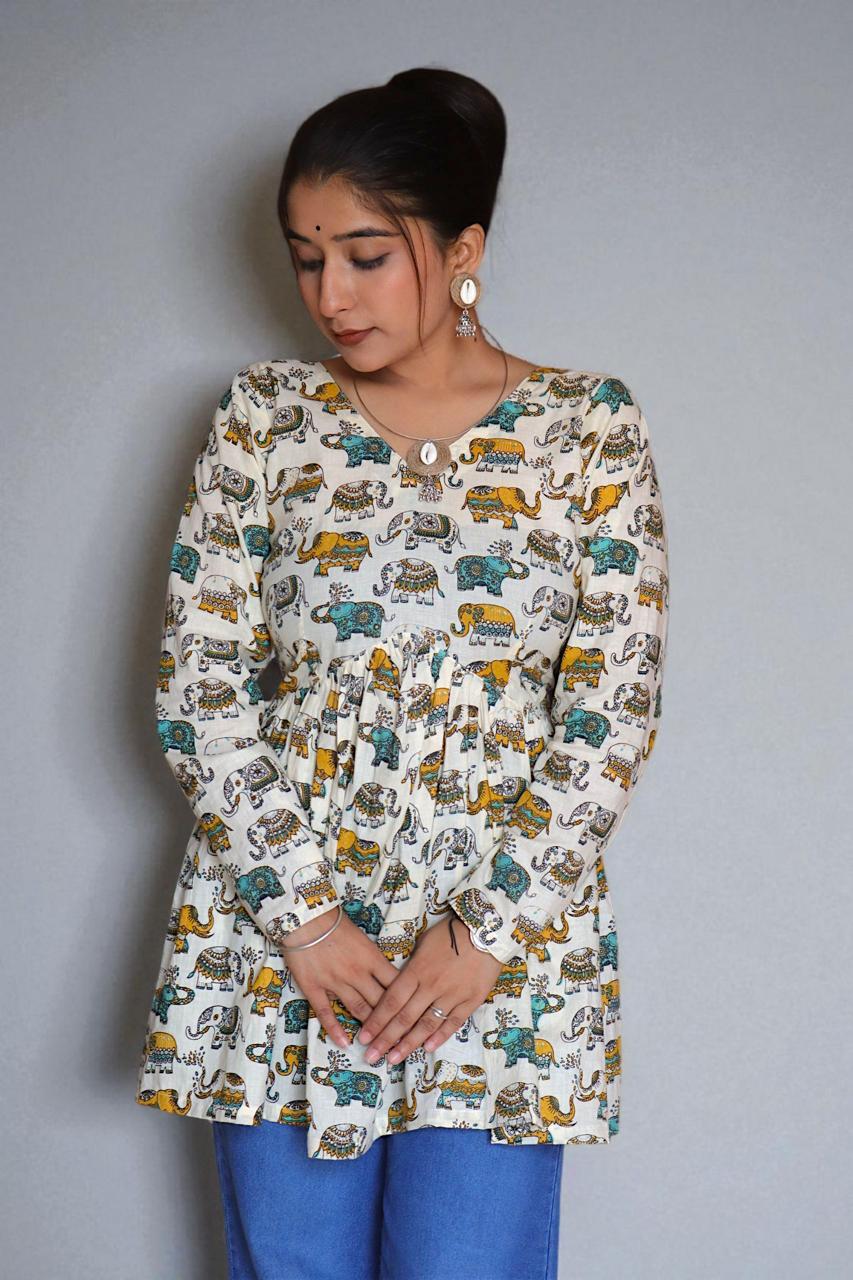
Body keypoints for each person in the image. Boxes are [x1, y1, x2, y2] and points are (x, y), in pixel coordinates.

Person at [135, 64, 670, 1280]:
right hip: (281, 947)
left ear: (462, 248)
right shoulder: (264, 419)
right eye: (306, 259)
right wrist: (306, 920)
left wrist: (483, 932)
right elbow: (199, 689)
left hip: (496, 959)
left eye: (366, 255)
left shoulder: (588, 427)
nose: (330, 293)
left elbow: (612, 713)